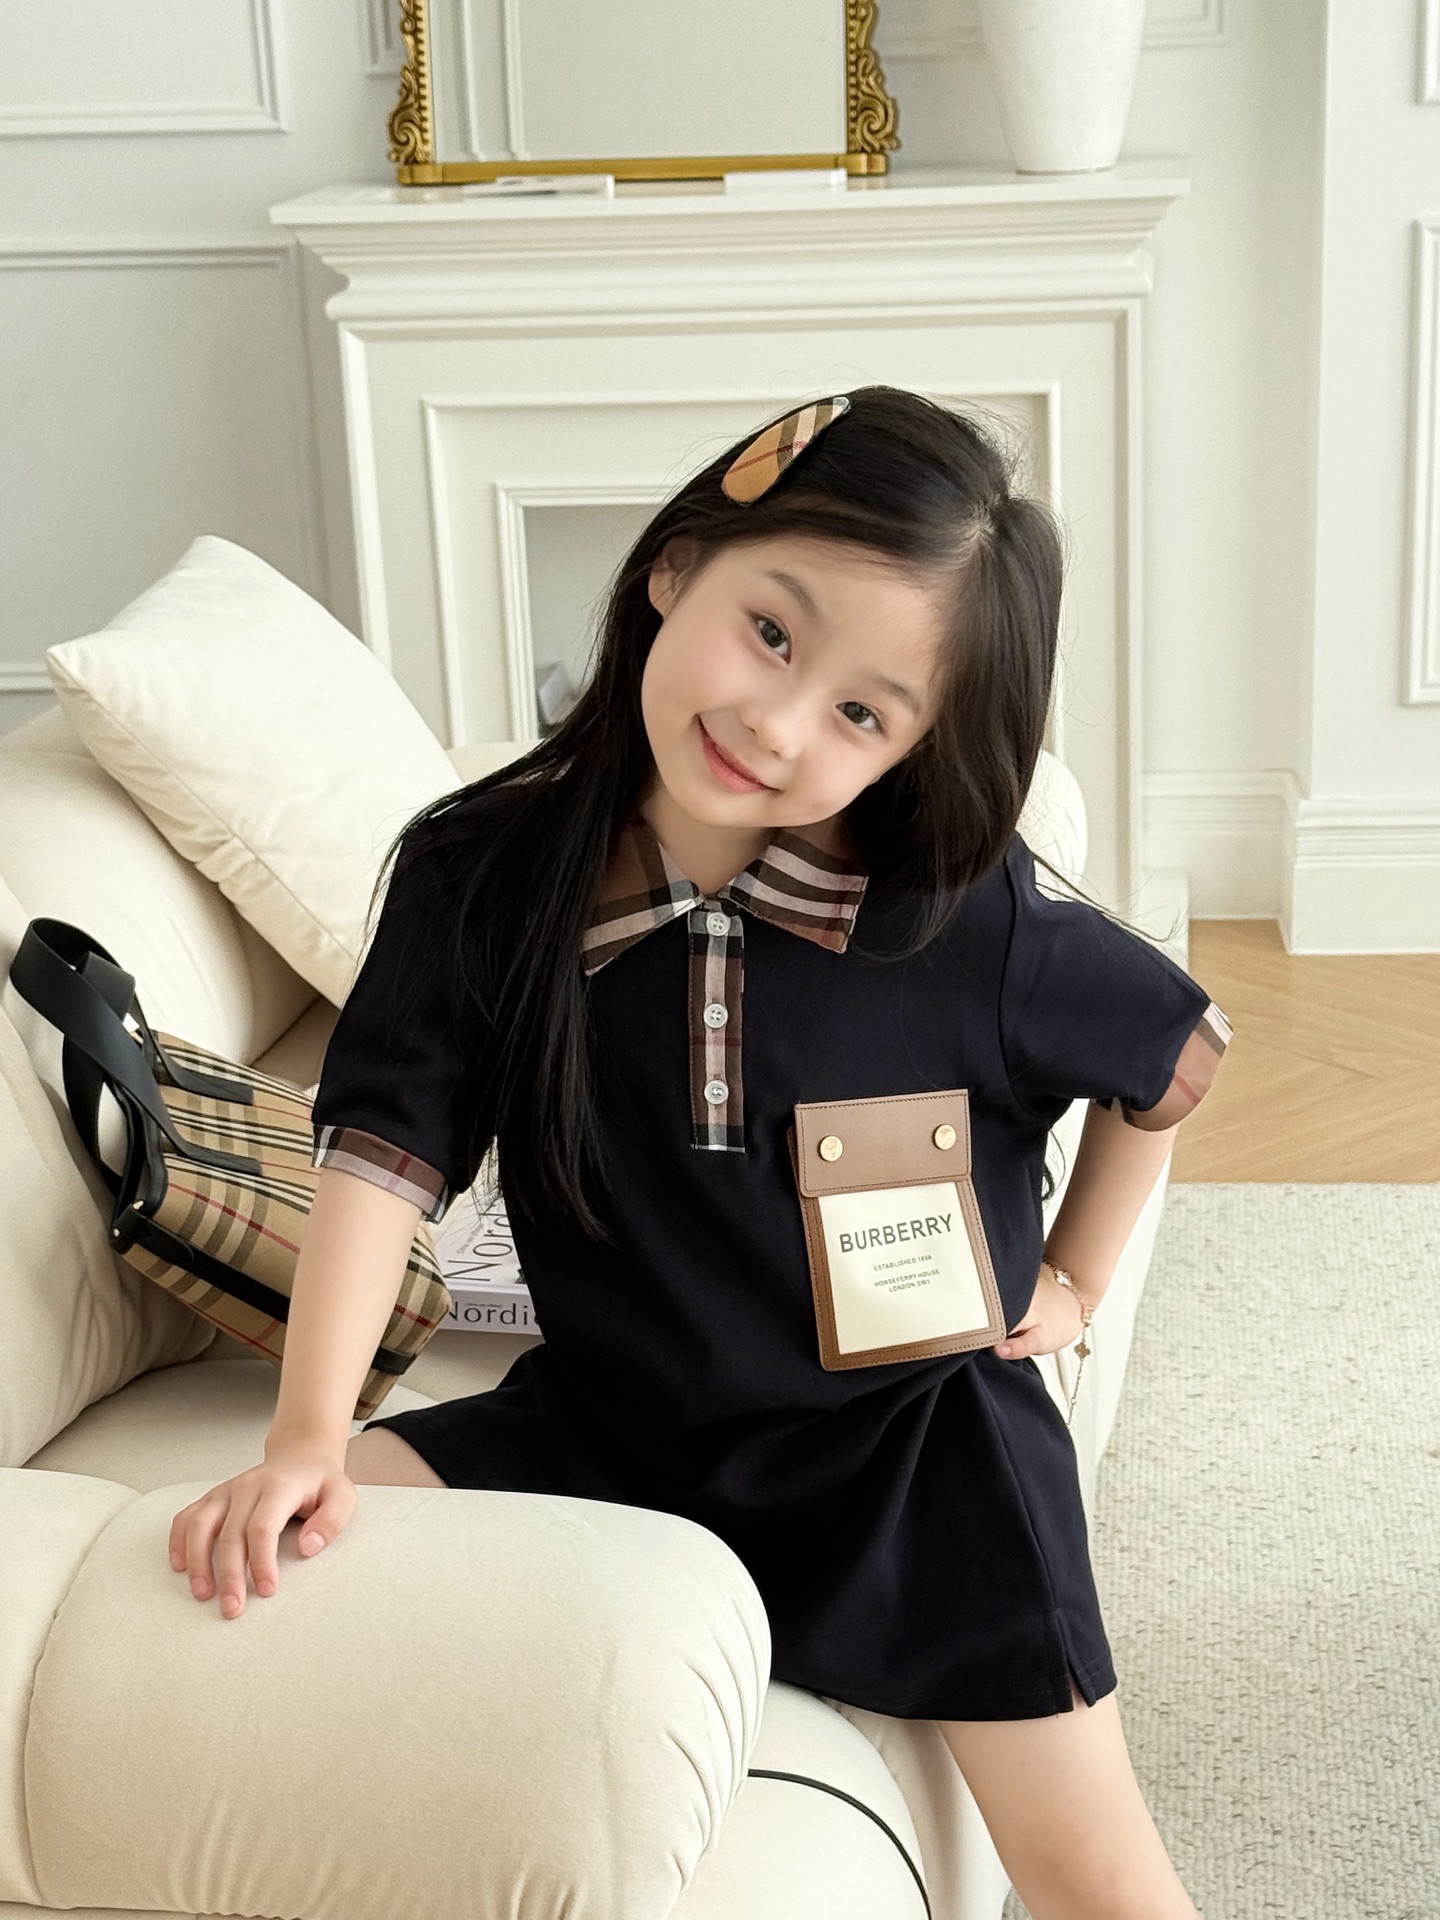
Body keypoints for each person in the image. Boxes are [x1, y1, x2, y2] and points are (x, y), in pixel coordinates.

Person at [170, 386, 1231, 1919]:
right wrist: (308, 1436)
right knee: (260, 1569)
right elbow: (382, 1157)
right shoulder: (482, 874)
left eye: (864, 713)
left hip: (915, 1466)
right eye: (772, 633)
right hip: (612, 1432)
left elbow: (1179, 1055)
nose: (778, 723)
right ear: (677, 567)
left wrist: (1073, 1276)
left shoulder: (964, 918)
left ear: (915, 749)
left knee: (1101, 1884)